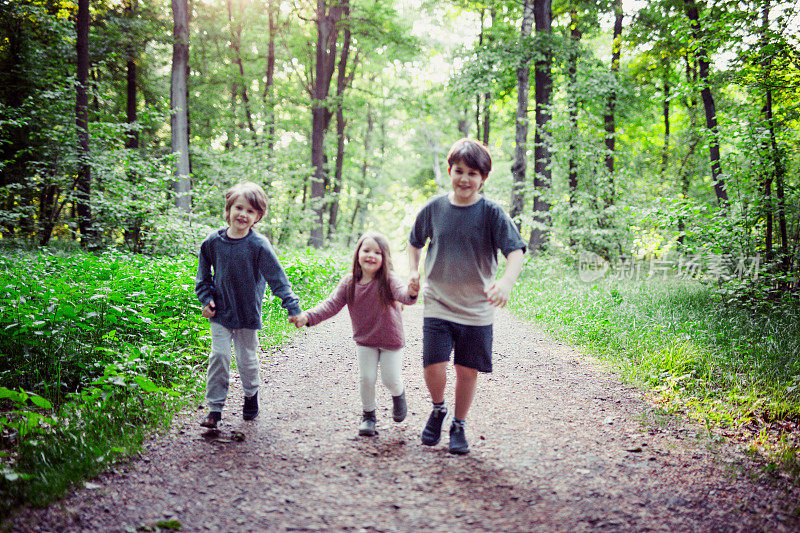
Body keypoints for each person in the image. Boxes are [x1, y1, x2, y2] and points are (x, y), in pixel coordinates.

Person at [408, 138, 526, 455]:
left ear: (483, 178)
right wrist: (413, 271)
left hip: (477, 309)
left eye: (473, 174)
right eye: (459, 171)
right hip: (438, 302)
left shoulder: (492, 213)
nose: (465, 179)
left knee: (466, 370)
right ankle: (437, 409)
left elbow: (516, 252)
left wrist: (506, 283)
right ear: (450, 171)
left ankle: (458, 424)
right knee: (434, 364)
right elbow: (414, 241)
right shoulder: (434, 208)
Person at [290, 231, 419, 437]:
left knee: (390, 378)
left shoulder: (388, 279)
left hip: (391, 340)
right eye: (366, 250)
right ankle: (369, 416)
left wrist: (412, 291)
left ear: (384, 258)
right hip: (365, 340)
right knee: (366, 378)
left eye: (377, 252)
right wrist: (307, 317)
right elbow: (330, 305)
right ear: (358, 253)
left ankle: (398, 394)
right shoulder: (349, 282)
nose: (371, 255)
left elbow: (405, 296)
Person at [195, 181, 301, 429]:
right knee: (219, 356)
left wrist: (292, 307)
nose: (243, 214)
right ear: (229, 209)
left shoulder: (258, 245)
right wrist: (206, 298)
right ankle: (215, 409)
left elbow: (278, 279)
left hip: (247, 314)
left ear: (258, 217)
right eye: (239, 208)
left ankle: (250, 395)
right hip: (220, 314)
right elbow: (203, 277)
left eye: (250, 211)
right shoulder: (213, 242)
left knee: (247, 360)